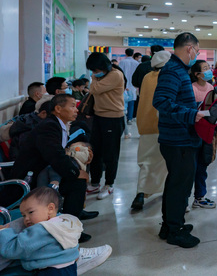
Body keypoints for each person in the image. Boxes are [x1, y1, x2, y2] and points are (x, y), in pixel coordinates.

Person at [10, 94, 95, 242]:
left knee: (77, 174)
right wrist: (75, 172)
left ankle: (76, 214)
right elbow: (54, 155)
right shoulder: (49, 126)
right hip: (32, 178)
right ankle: (70, 230)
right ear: (58, 109)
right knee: (76, 183)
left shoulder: (57, 124)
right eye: (72, 106)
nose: (76, 110)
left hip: (44, 171)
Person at [152, 32, 203, 249]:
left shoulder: (179, 70)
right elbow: (161, 101)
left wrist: (196, 111)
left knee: (177, 184)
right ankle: (174, 230)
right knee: (179, 186)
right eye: (197, 51)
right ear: (189, 48)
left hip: (183, 137)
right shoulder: (172, 70)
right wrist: (192, 115)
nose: (197, 55)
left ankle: (170, 224)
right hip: (177, 139)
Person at [0, 187, 82, 275]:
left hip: (50, 271)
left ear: (50, 208)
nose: (26, 219)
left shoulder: (41, 229)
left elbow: (12, 250)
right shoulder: (65, 221)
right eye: (23, 215)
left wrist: (4, 231)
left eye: (30, 212)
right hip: (70, 266)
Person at [131, 51, 170, 211]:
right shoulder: (169, 77)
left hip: (145, 124)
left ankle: (141, 193)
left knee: (146, 162)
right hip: (164, 126)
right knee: (166, 163)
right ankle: (165, 192)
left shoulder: (147, 77)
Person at [85, 52, 126, 201]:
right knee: (96, 152)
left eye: (96, 70)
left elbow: (94, 89)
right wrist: (95, 78)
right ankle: (95, 182)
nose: (94, 73)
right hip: (99, 116)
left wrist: (94, 79)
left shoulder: (115, 75)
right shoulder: (100, 76)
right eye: (93, 71)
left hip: (113, 118)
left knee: (111, 154)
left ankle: (109, 184)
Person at [189, 60, 216, 210]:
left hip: (207, 132)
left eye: (208, 68)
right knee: (190, 166)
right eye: (204, 69)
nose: (208, 71)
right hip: (193, 132)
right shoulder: (191, 88)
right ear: (196, 74)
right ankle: (185, 198)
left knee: (202, 165)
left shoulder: (211, 88)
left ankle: (199, 197)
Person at [118, 48, 140, 126]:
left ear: (125, 53)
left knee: (123, 103)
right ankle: (129, 119)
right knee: (131, 103)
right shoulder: (136, 63)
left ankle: (123, 117)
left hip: (123, 85)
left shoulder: (122, 62)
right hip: (133, 85)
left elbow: (119, 73)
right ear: (133, 54)